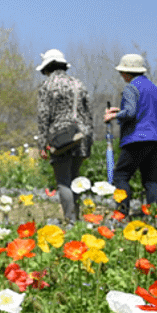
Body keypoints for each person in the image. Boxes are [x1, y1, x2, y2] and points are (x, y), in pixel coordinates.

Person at [35, 49, 92, 224]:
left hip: (60, 138)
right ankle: (77, 218)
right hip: (80, 135)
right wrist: (89, 142)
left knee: (63, 181)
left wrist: (42, 144)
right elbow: (89, 114)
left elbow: (43, 116)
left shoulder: (47, 85)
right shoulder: (78, 84)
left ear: (47, 68)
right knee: (75, 179)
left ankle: (70, 221)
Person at [104, 53, 157, 217]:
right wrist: (120, 110)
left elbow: (130, 113)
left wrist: (113, 116)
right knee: (150, 180)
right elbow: (144, 110)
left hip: (137, 139)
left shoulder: (130, 87)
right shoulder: (153, 87)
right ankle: (153, 216)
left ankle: (121, 213)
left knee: (121, 176)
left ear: (125, 73)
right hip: (156, 139)